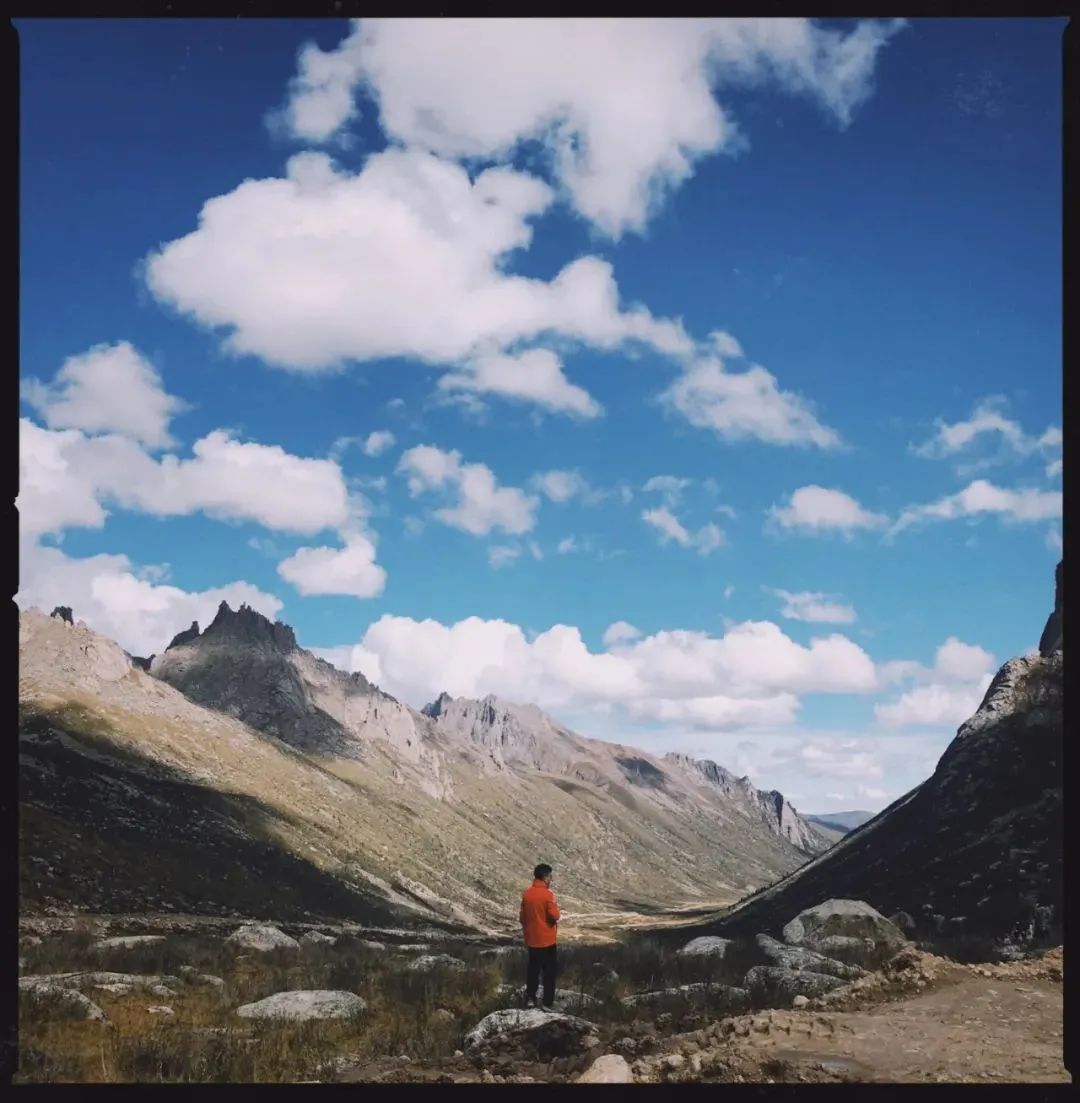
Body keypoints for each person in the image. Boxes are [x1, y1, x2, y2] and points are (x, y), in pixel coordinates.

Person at [520, 862, 560, 1009]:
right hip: (547, 940)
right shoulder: (548, 895)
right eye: (550, 876)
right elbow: (555, 916)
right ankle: (547, 1002)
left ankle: (530, 998)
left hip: (532, 940)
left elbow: (522, 918)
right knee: (549, 973)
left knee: (533, 971)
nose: (551, 879)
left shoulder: (527, 894)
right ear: (545, 877)